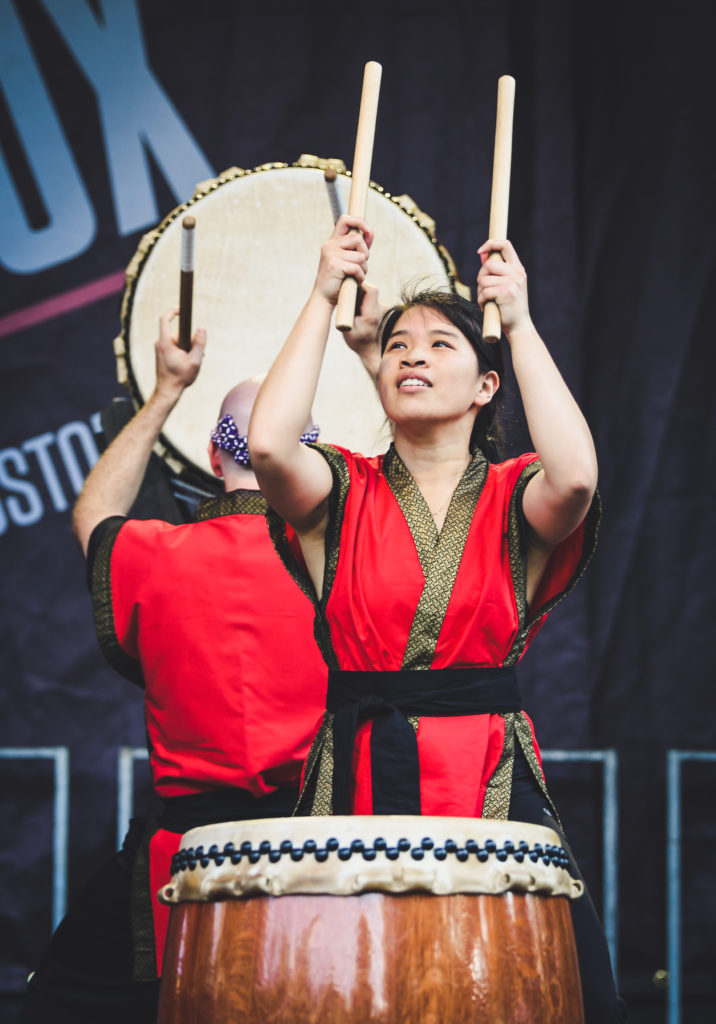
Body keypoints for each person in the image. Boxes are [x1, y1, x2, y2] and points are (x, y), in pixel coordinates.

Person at [248, 216, 626, 1021]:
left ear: (486, 387)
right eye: (397, 346)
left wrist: (517, 323)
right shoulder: (340, 491)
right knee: (343, 992)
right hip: (357, 764)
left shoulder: (516, 496)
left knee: (519, 987)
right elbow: (271, 447)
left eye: (439, 344)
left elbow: (577, 477)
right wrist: (321, 294)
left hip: (484, 768)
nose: (411, 356)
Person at [20, 309, 328, 1023]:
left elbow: (94, 511)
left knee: (67, 998)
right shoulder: (348, 562)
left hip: (188, 857)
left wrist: (165, 391)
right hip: (324, 855)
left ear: (215, 458)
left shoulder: (152, 554)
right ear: (306, 457)